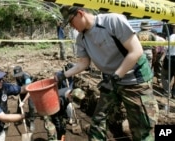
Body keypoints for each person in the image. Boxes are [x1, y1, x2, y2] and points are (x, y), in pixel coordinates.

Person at [57, 6, 159, 141]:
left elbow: (136, 51)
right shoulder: (81, 38)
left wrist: (115, 77)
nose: (71, 26)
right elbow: (83, 63)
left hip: (135, 81)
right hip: (110, 82)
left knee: (143, 128)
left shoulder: (112, 21)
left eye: (71, 21)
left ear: (80, 14)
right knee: (98, 121)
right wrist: (63, 75)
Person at [13, 65, 35, 132]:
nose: (18, 76)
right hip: (23, 89)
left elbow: (29, 91)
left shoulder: (26, 78)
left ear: (22, 72)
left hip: (31, 90)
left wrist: (24, 101)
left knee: (31, 106)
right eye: (17, 75)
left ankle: (32, 121)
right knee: (19, 104)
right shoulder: (17, 77)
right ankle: (18, 116)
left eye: (19, 75)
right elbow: (18, 85)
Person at [161, 24, 175, 98]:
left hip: (171, 58)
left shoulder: (172, 36)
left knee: (165, 76)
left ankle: (167, 92)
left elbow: (167, 47)